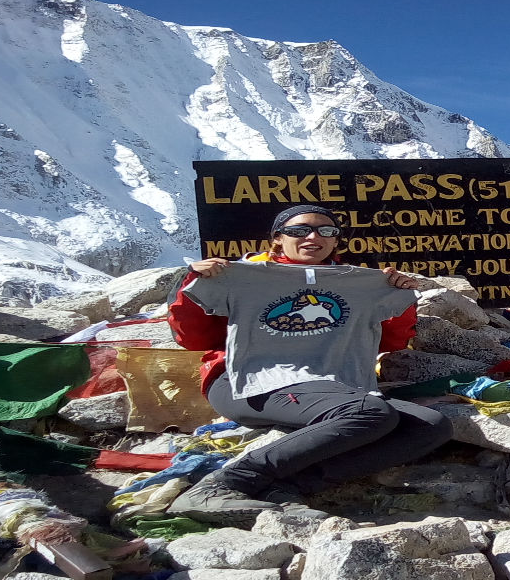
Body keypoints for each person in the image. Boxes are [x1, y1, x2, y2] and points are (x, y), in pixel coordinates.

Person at [166, 204, 453, 525]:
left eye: (326, 231)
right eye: (299, 230)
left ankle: (285, 488)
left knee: (431, 425)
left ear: (336, 240)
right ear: (277, 238)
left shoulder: (361, 282)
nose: (313, 236)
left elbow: (390, 343)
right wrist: (196, 283)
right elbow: (192, 340)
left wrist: (395, 300)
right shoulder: (242, 276)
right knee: (369, 412)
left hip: (325, 384)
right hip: (246, 381)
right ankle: (225, 484)